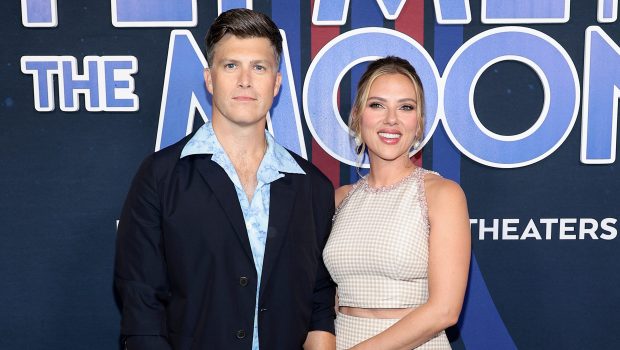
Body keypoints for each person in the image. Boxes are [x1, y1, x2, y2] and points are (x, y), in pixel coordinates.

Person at [114, 9, 336, 350]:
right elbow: (141, 300)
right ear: (209, 78)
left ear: (276, 83)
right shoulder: (161, 175)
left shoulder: (312, 187)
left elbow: (319, 299)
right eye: (231, 65)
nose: (245, 80)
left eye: (259, 67)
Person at [323, 56, 471, 349]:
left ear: (418, 124)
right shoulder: (338, 199)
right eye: (377, 105)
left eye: (406, 107)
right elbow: (324, 298)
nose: (391, 119)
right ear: (357, 117)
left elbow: (445, 310)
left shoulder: (442, 194)